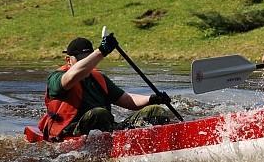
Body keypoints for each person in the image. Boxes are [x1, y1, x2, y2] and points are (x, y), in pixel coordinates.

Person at [37, 33, 172, 141]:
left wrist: (152, 99)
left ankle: (156, 142)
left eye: (88, 58)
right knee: (99, 113)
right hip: (70, 132)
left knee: (155, 111)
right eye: (81, 59)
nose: (87, 62)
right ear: (68, 60)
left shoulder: (99, 78)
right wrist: (101, 51)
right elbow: (71, 77)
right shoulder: (56, 78)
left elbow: (126, 99)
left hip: (107, 130)